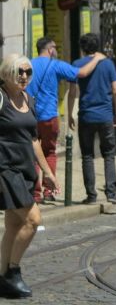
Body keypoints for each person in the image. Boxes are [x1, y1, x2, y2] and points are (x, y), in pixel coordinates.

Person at [0, 54, 60, 298]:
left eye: (28, 72)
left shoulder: (29, 99)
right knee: (33, 220)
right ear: (7, 73)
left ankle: (2, 277)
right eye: (19, 71)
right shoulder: (1, 98)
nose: (24, 76)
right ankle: (13, 271)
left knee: (14, 224)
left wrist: (47, 172)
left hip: (25, 170)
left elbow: (34, 139)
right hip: (6, 170)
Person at [25, 36, 102, 204]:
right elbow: (82, 73)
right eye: (55, 48)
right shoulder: (56, 65)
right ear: (50, 49)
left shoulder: (28, 65)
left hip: (30, 117)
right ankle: (48, 191)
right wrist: (96, 58)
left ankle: (35, 193)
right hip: (50, 117)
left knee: (33, 154)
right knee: (49, 152)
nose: (57, 51)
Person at [67, 34, 116, 206]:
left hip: (86, 115)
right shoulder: (107, 63)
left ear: (82, 48)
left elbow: (72, 91)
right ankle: (111, 193)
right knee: (109, 154)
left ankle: (91, 195)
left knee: (87, 156)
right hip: (105, 115)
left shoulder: (76, 64)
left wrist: (69, 113)